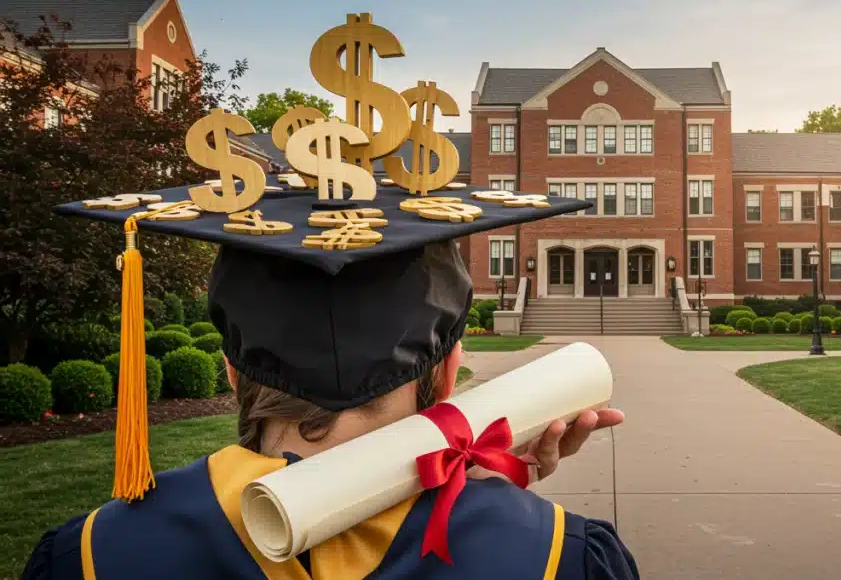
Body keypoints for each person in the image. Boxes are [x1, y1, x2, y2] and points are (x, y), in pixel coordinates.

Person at [27, 177, 640, 579]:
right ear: (450, 372)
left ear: (232, 372)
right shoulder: (557, 556)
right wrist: (488, 505)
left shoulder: (91, 555)